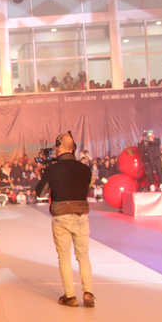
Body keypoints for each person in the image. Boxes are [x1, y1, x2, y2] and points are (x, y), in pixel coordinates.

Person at [35, 131, 95, 308]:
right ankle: (88, 292)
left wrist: (43, 173)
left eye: (56, 146)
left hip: (61, 215)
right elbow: (87, 186)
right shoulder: (85, 169)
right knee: (83, 256)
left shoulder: (53, 169)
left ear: (60, 148)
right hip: (81, 214)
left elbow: (40, 192)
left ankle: (70, 295)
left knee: (64, 256)